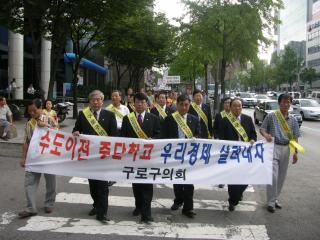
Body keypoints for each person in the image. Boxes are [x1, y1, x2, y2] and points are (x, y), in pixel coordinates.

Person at [73, 90, 117, 223]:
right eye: (93, 100)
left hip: (104, 156)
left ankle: (102, 213)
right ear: (90, 101)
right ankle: (96, 205)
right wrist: (75, 132)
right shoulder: (83, 115)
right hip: (90, 157)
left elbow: (114, 136)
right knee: (92, 185)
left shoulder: (109, 115)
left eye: (98, 99)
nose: (96, 102)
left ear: (102, 101)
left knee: (103, 185)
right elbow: (76, 129)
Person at [120, 92, 161, 224]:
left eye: (142, 102)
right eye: (137, 102)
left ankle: (146, 214)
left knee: (147, 186)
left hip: (149, 158)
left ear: (147, 104)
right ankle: (138, 206)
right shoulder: (127, 119)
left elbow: (159, 135)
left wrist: (152, 140)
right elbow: (123, 138)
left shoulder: (154, 118)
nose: (139, 104)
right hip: (133, 158)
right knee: (136, 185)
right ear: (133, 104)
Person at [260, 93, 301, 213]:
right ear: (279, 103)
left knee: (281, 176)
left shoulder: (293, 120)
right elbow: (262, 128)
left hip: (286, 148)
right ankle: (271, 202)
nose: (286, 104)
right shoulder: (272, 116)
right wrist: (266, 135)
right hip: (273, 147)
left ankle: (275, 198)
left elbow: (295, 137)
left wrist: (295, 153)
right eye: (284, 102)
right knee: (273, 175)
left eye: (288, 102)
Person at [18, 98, 58, 218]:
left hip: (49, 157)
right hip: (33, 157)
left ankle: (49, 203)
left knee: (51, 182)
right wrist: (23, 158)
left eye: (34, 110)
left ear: (41, 109)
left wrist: (46, 126)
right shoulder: (29, 123)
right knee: (29, 182)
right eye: (29, 111)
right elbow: (25, 142)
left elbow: (58, 136)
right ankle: (31, 208)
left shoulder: (50, 119)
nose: (31, 113)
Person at [163, 94, 200, 218]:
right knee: (177, 181)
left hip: (189, 157)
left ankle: (188, 208)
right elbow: (163, 138)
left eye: (186, 105)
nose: (184, 107)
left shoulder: (194, 119)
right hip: (174, 156)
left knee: (189, 183)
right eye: (181, 105)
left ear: (189, 105)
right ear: (177, 105)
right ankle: (178, 201)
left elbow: (199, 134)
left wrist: (196, 138)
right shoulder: (169, 119)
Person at [218, 98, 257, 211]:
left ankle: (238, 193)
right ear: (230, 108)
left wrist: (253, 140)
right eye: (234, 106)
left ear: (242, 107)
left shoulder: (248, 119)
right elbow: (221, 138)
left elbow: (253, 134)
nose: (237, 108)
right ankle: (232, 201)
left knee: (246, 178)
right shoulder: (225, 121)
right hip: (232, 155)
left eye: (239, 106)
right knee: (233, 179)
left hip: (245, 155)